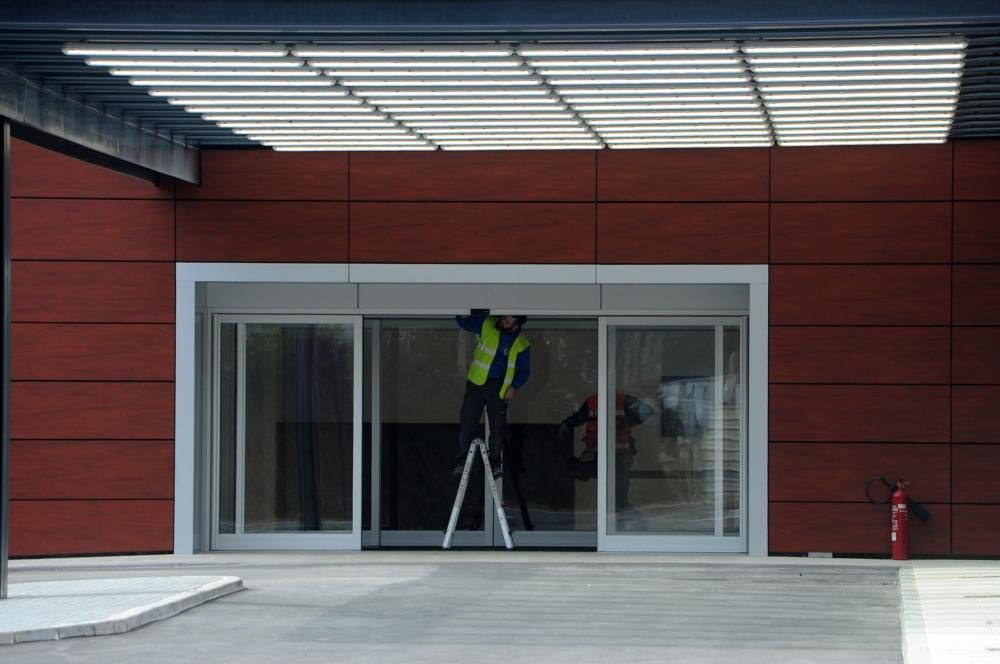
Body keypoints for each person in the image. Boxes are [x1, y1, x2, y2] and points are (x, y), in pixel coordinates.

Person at [453, 314, 531, 479]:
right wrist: (459, 306)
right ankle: (462, 463)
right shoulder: (488, 324)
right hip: (476, 383)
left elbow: (525, 371)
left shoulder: (522, 343)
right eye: (504, 317)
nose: (504, 320)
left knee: (497, 426)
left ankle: (495, 464)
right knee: (467, 420)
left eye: (509, 319)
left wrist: (514, 387)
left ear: (517, 324)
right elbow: (464, 322)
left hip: (499, 387)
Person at [559, 392, 653, 510]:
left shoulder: (622, 401)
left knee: (618, 481)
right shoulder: (593, 401)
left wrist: (626, 423)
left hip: (619, 452)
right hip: (596, 451)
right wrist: (566, 425)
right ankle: (611, 509)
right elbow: (577, 419)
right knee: (580, 470)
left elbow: (646, 412)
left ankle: (619, 506)